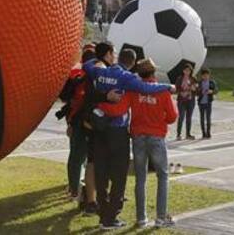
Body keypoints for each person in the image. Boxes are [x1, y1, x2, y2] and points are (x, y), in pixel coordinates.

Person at [82, 44, 173, 229]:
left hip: (110, 131)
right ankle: (119, 217)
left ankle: (118, 217)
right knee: (125, 175)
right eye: (111, 52)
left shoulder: (99, 72)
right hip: (125, 133)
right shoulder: (127, 79)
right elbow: (152, 94)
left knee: (108, 173)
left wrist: (98, 60)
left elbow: (86, 64)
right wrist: (168, 87)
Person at [128, 58, 178, 228]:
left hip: (138, 136)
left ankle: (141, 218)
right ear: (153, 72)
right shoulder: (162, 91)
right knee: (162, 176)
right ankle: (161, 217)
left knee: (140, 178)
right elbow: (172, 117)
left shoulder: (134, 91)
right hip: (156, 136)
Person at [58, 46, 97, 209]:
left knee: (75, 156)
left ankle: (74, 188)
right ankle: (79, 189)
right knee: (87, 158)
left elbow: (66, 99)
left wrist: (69, 123)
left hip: (74, 120)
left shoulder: (74, 72)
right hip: (89, 122)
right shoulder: (95, 73)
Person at [174, 65, 197, 140]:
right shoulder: (179, 79)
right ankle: (178, 134)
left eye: (189, 70)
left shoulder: (193, 79)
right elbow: (176, 89)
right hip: (181, 100)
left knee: (189, 117)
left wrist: (194, 89)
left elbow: (197, 89)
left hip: (190, 100)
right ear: (183, 71)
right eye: (186, 70)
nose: (187, 72)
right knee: (181, 117)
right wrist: (181, 93)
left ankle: (188, 134)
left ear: (191, 71)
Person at [197, 68, 217, 139]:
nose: (205, 77)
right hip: (201, 103)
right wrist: (200, 91)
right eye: (204, 75)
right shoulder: (199, 83)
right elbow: (196, 92)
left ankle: (208, 132)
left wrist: (211, 91)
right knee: (202, 118)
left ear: (209, 75)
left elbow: (216, 90)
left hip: (208, 102)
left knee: (208, 118)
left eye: (207, 75)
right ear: (202, 76)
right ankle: (203, 133)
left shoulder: (212, 82)